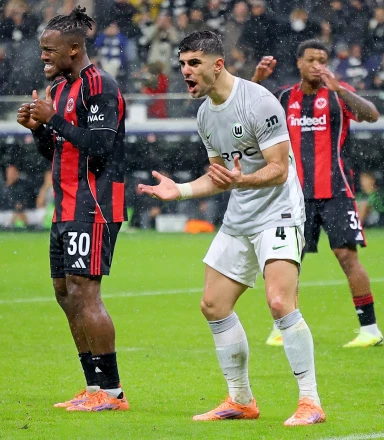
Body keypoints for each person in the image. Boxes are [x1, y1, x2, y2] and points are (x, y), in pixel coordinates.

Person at [139, 30, 325, 426]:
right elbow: (221, 177)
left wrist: (242, 181)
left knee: (280, 302)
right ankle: (241, 400)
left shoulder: (258, 102)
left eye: (194, 63)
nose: (185, 71)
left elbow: (279, 170)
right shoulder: (205, 114)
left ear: (217, 64)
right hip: (240, 216)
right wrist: (180, 190)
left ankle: (310, 402)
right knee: (213, 305)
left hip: (279, 212)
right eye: (182, 64)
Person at [17, 6, 129, 412]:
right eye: (42, 49)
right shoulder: (59, 89)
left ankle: (112, 394)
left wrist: (54, 121)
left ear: (74, 49)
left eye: (49, 50)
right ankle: (92, 385)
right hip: (65, 204)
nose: (43, 56)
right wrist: (39, 129)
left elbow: (100, 146)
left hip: (94, 202)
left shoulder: (100, 85)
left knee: (85, 292)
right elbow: (56, 151)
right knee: (65, 293)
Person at [251, 39, 383, 348]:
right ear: (299, 63)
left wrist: (340, 90)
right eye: (311, 59)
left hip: (337, 191)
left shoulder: (338, 95)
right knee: (288, 260)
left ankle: (370, 329)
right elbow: (246, 112)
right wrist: (256, 80)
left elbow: (372, 115)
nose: (317, 65)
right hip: (293, 195)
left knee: (347, 256)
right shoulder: (284, 97)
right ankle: (283, 327)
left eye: (322, 60)